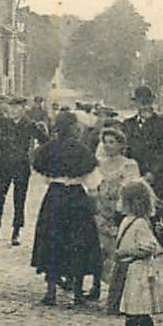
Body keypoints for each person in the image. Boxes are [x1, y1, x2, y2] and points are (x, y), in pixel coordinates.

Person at [31, 110, 103, 307]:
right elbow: (93, 180)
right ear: (73, 128)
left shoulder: (47, 149)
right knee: (79, 243)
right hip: (76, 198)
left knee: (52, 241)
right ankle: (78, 293)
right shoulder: (82, 151)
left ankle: (51, 292)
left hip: (54, 197)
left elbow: (43, 177)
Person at [108, 179, 163, 326]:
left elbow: (150, 248)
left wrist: (127, 252)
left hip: (137, 272)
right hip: (128, 271)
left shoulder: (141, 224)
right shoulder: (128, 221)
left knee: (140, 312)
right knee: (130, 312)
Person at [122, 85, 163, 234]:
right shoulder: (128, 125)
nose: (144, 105)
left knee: (161, 217)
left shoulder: (162, 125)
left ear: (152, 102)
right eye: (140, 101)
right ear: (135, 103)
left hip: (159, 179)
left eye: (147, 101)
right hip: (136, 177)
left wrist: (153, 173)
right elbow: (125, 152)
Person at [0, 98, 45, 245]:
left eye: (17, 108)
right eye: (11, 108)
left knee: (19, 200)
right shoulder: (3, 123)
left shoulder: (30, 125)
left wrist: (35, 155)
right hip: (5, 165)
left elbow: (45, 140)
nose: (13, 111)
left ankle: (16, 232)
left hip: (21, 166)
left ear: (24, 109)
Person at [93, 124, 141, 293]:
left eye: (111, 142)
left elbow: (132, 188)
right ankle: (95, 285)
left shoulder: (129, 165)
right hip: (100, 211)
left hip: (118, 212)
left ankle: (117, 290)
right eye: (105, 142)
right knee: (99, 249)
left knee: (117, 251)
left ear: (121, 145)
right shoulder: (98, 164)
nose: (107, 146)